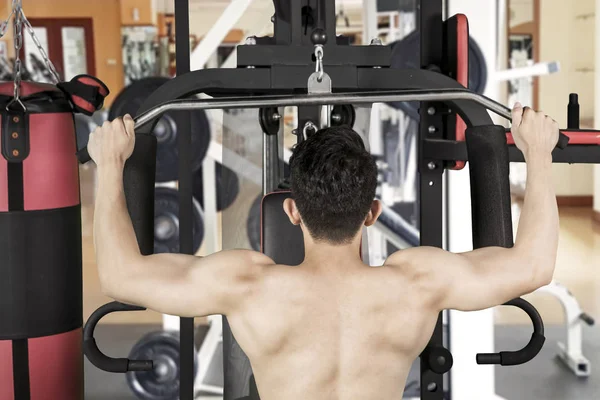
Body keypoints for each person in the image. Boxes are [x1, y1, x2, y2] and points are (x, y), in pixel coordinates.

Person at [88, 103, 559, 400]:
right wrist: (538, 153)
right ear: (372, 212)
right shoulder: (419, 282)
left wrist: (109, 164)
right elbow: (534, 265)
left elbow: (120, 275)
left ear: (292, 211)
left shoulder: (247, 286)